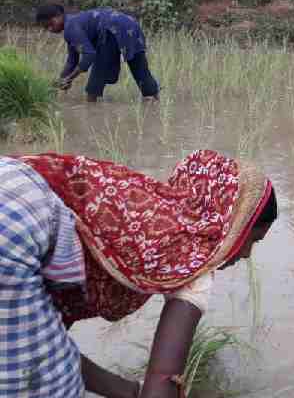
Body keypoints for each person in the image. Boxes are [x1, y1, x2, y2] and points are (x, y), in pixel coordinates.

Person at [0, 149, 278, 398]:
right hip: (15, 225)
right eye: (253, 239)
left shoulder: (144, 198)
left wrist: (129, 391)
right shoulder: (191, 260)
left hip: (12, 178)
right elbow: (162, 380)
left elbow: (50, 344)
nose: (246, 254)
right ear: (238, 223)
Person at [35, 4, 160, 102]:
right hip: (130, 24)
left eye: (50, 24)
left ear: (59, 16)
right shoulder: (74, 23)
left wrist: (69, 79)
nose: (50, 29)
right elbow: (71, 61)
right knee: (140, 69)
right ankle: (154, 100)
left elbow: (89, 55)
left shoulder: (70, 27)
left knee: (97, 75)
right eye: (46, 28)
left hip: (111, 29)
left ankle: (91, 107)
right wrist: (59, 81)